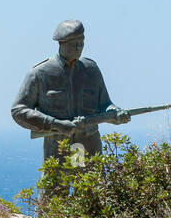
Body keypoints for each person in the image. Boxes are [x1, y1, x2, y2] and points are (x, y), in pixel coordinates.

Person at [11, 19, 130, 163]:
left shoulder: (91, 70)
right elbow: (18, 110)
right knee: (56, 186)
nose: (79, 47)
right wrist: (55, 124)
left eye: (82, 42)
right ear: (61, 43)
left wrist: (115, 112)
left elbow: (104, 104)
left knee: (92, 185)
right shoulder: (40, 73)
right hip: (58, 147)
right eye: (74, 44)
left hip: (89, 144)